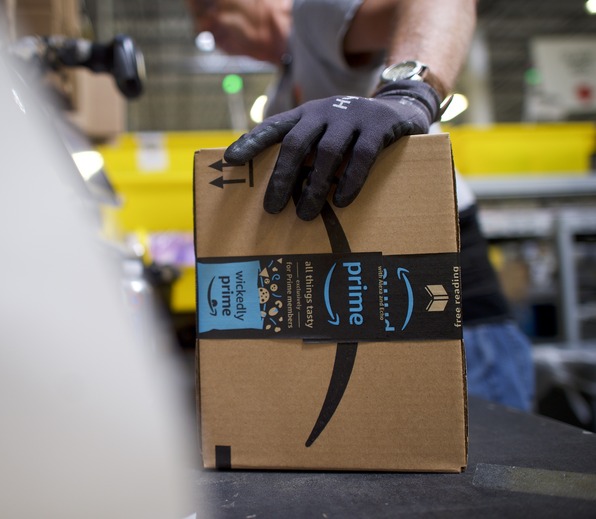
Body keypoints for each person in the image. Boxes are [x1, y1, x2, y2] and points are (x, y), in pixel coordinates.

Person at [187, 0, 536, 412]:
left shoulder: (314, 14)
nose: (209, 30)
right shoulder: (279, 94)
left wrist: (408, 93)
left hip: (451, 300)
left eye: (207, 9)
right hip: (372, 306)